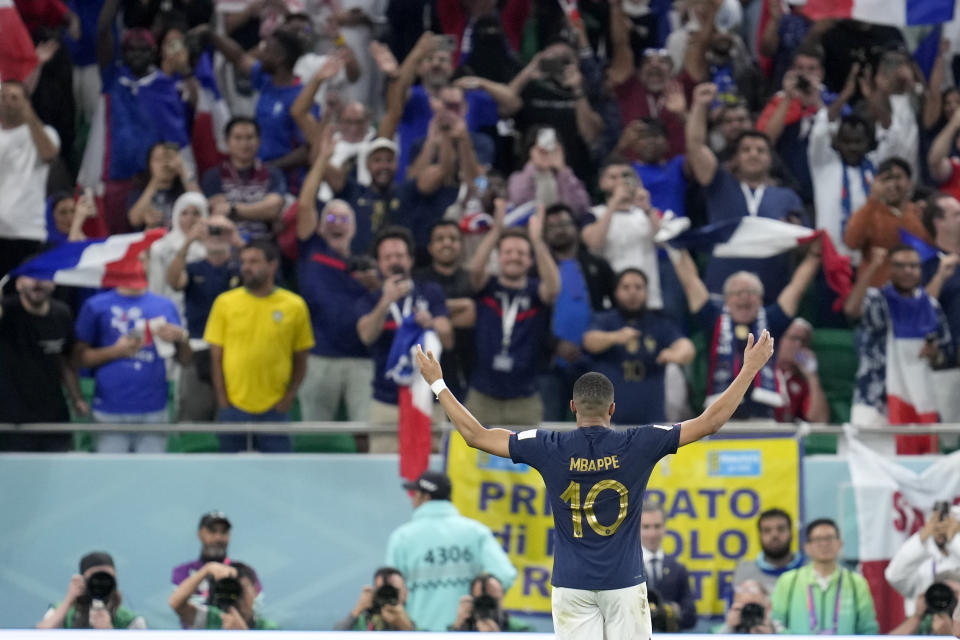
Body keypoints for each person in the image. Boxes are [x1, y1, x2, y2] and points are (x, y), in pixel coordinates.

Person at [414, 322, 775, 638]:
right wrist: (749, 369)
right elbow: (710, 422)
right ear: (612, 409)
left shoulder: (546, 445)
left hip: (570, 585)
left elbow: (476, 435)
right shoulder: (640, 441)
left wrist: (438, 383)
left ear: (572, 407)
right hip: (625, 583)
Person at [79, 0, 192, 234]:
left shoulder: (165, 86)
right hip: (116, 176)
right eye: (131, 49)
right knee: (116, 241)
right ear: (123, 53)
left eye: (143, 49)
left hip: (155, 180)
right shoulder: (113, 78)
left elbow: (177, 136)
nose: (138, 54)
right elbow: (102, 32)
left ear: (153, 53)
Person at [686, 82, 805, 304]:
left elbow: (804, 248)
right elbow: (695, 145)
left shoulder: (788, 196)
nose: (753, 154)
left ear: (770, 159)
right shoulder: (719, 183)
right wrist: (700, 106)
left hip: (772, 292)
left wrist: (796, 236)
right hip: (721, 288)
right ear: (737, 158)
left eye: (761, 150)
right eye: (746, 150)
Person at [670, 244, 820, 419]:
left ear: (760, 299)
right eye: (737, 292)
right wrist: (675, 247)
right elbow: (691, 282)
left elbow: (797, 287)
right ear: (726, 299)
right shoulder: (713, 318)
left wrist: (814, 255)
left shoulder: (772, 320)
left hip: (764, 417)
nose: (744, 297)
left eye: (751, 292)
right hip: (720, 418)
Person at [204, 240, 314, 452]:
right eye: (243, 261)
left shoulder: (295, 306)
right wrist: (222, 399)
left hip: (275, 408)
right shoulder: (224, 303)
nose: (246, 267)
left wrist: (288, 398)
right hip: (233, 407)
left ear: (273, 265)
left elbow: (301, 357)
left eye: (254, 261)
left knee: (277, 475)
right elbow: (216, 357)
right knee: (229, 473)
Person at [844, 245, 954, 454]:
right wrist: (871, 267)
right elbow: (852, 309)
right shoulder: (877, 299)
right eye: (900, 265)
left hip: (918, 401)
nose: (907, 271)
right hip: (875, 397)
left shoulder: (931, 306)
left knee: (917, 469)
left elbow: (944, 355)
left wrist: (934, 355)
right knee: (870, 468)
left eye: (913, 266)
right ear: (888, 269)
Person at [295, 144, 375, 430]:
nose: (337, 224)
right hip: (319, 358)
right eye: (330, 218)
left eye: (344, 219)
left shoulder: (366, 266)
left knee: (365, 432)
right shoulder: (312, 250)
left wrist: (374, 284)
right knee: (315, 434)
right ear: (320, 226)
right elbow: (305, 204)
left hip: (361, 362)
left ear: (353, 228)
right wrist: (322, 160)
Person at [355, 226, 452, 452]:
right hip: (386, 402)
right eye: (387, 257)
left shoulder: (430, 292)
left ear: (410, 259)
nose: (393, 261)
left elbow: (448, 338)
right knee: (382, 472)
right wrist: (386, 301)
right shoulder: (370, 299)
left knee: (430, 471)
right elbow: (366, 336)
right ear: (378, 263)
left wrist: (432, 322)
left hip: (428, 399)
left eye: (399, 255)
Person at [384, 470, 517, 632]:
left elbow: (388, 590)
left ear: (425, 497)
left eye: (415, 494)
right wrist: (483, 606)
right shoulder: (475, 531)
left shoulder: (402, 537)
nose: (412, 499)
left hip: (417, 632)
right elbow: (505, 574)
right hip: (466, 631)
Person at [75, 269, 191, 453]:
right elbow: (79, 359)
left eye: (142, 258)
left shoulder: (165, 306)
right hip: (109, 409)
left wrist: (182, 338)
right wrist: (116, 351)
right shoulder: (95, 305)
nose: (136, 265)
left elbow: (185, 360)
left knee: (150, 477)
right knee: (112, 478)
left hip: (153, 409)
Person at [466, 202, 560, 426]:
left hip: (524, 399)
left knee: (526, 460)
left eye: (521, 253)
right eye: (508, 252)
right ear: (499, 257)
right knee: (474, 459)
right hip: (482, 396)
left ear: (529, 260)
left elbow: (554, 288)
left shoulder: (536, 292)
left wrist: (537, 243)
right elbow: (475, 270)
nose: (514, 257)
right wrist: (496, 231)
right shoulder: (487, 287)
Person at [583, 268, 694, 426]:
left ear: (647, 292)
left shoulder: (659, 323)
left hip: (651, 423)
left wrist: (674, 354)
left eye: (638, 287)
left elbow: (687, 347)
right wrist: (615, 337)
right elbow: (589, 341)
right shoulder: (604, 320)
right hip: (608, 422)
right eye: (626, 287)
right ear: (616, 292)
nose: (633, 292)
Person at [539, 203, 616, 421]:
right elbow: (533, 319)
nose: (559, 229)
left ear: (576, 227)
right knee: (550, 430)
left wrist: (594, 340)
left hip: (593, 362)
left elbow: (614, 309)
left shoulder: (597, 265)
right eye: (552, 226)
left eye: (564, 223)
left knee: (596, 427)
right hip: (549, 364)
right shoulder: (538, 268)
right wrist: (555, 344)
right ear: (544, 234)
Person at [0, 275, 86, 452]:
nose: (37, 282)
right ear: (18, 284)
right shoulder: (7, 310)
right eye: (30, 277)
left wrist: (77, 398)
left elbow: (66, 361)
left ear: (54, 283)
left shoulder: (62, 313)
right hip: (11, 420)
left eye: (42, 276)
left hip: (54, 417)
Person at [770, 518, 879, 634]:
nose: (824, 544)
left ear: (840, 543)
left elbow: (868, 629)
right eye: (817, 539)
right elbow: (776, 623)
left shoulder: (856, 582)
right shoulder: (789, 580)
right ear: (807, 547)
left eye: (829, 538)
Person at [0, 80, 60, 277]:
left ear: (27, 102)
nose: (8, 102)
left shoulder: (45, 133)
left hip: (27, 230)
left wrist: (30, 118)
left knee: (22, 296)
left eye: (14, 97)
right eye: (3, 97)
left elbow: (49, 154)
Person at [844, 157, 931, 288]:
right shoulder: (868, 212)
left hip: (916, 292)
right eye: (885, 179)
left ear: (909, 182)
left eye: (897, 177)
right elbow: (852, 242)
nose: (892, 184)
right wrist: (872, 201)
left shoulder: (919, 212)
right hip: (878, 291)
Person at [414, 220, 476, 401]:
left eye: (452, 239)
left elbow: (471, 316)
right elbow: (414, 313)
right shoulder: (418, 279)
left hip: (465, 365)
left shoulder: (470, 280)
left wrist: (433, 312)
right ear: (431, 247)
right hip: (425, 364)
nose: (447, 243)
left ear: (461, 246)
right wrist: (457, 308)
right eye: (440, 239)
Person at [200, 117, 287, 241]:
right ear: (227, 142)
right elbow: (219, 212)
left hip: (264, 246)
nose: (244, 144)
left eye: (249, 137)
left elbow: (272, 208)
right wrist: (260, 211)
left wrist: (233, 209)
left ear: (259, 141)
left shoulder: (272, 174)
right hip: (226, 245)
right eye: (238, 138)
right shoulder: (214, 176)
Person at [37, 551, 146, 629]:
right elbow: (39, 635)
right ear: (82, 579)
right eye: (95, 577)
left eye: (107, 576)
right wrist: (69, 599)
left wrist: (109, 633)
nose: (101, 582)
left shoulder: (129, 620)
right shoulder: (62, 611)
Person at [886, 506, 960, 617]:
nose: (943, 530)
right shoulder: (923, 564)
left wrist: (954, 539)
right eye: (939, 527)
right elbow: (894, 576)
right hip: (928, 628)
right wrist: (921, 539)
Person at [507, 126, 591, 219]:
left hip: (560, 227)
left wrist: (562, 170)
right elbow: (518, 204)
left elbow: (580, 209)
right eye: (541, 149)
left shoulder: (568, 177)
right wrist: (533, 166)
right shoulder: (517, 178)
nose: (546, 152)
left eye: (551, 146)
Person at [170, 561, 278, 629]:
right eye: (233, 589)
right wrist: (206, 569)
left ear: (255, 591)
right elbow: (176, 604)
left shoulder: (268, 629)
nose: (238, 596)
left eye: (243, 589)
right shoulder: (213, 618)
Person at [640, 500, 697, 630]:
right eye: (646, 527)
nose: (652, 533)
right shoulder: (626, 568)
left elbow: (691, 616)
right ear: (637, 528)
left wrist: (673, 612)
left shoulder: (678, 570)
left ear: (665, 527)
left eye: (657, 526)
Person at [732, 508, 806, 595]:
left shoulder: (810, 569)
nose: (774, 535)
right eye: (767, 530)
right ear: (760, 536)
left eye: (781, 529)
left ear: (791, 533)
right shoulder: (745, 572)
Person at [774, 319, 830, 423]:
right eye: (793, 338)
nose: (798, 344)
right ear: (778, 339)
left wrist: (812, 376)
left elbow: (820, 420)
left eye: (803, 341)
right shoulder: (763, 371)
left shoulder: (802, 382)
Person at [171, 512, 235, 600]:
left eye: (223, 532)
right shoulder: (183, 571)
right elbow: (177, 602)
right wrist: (207, 570)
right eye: (212, 531)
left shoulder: (243, 573)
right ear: (200, 534)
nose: (218, 538)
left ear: (229, 536)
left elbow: (255, 610)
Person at [334, 567, 415, 631]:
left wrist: (406, 627)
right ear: (374, 592)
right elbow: (335, 635)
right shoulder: (362, 622)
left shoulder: (413, 625)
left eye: (393, 591)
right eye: (383, 590)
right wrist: (358, 608)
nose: (387, 595)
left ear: (405, 594)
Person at [451, 574, 534, 632]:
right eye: (481, 601)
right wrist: (458, 625)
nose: (486, 607)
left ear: (502, 598)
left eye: (491, 601)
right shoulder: (463, 627)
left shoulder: (521, 630)